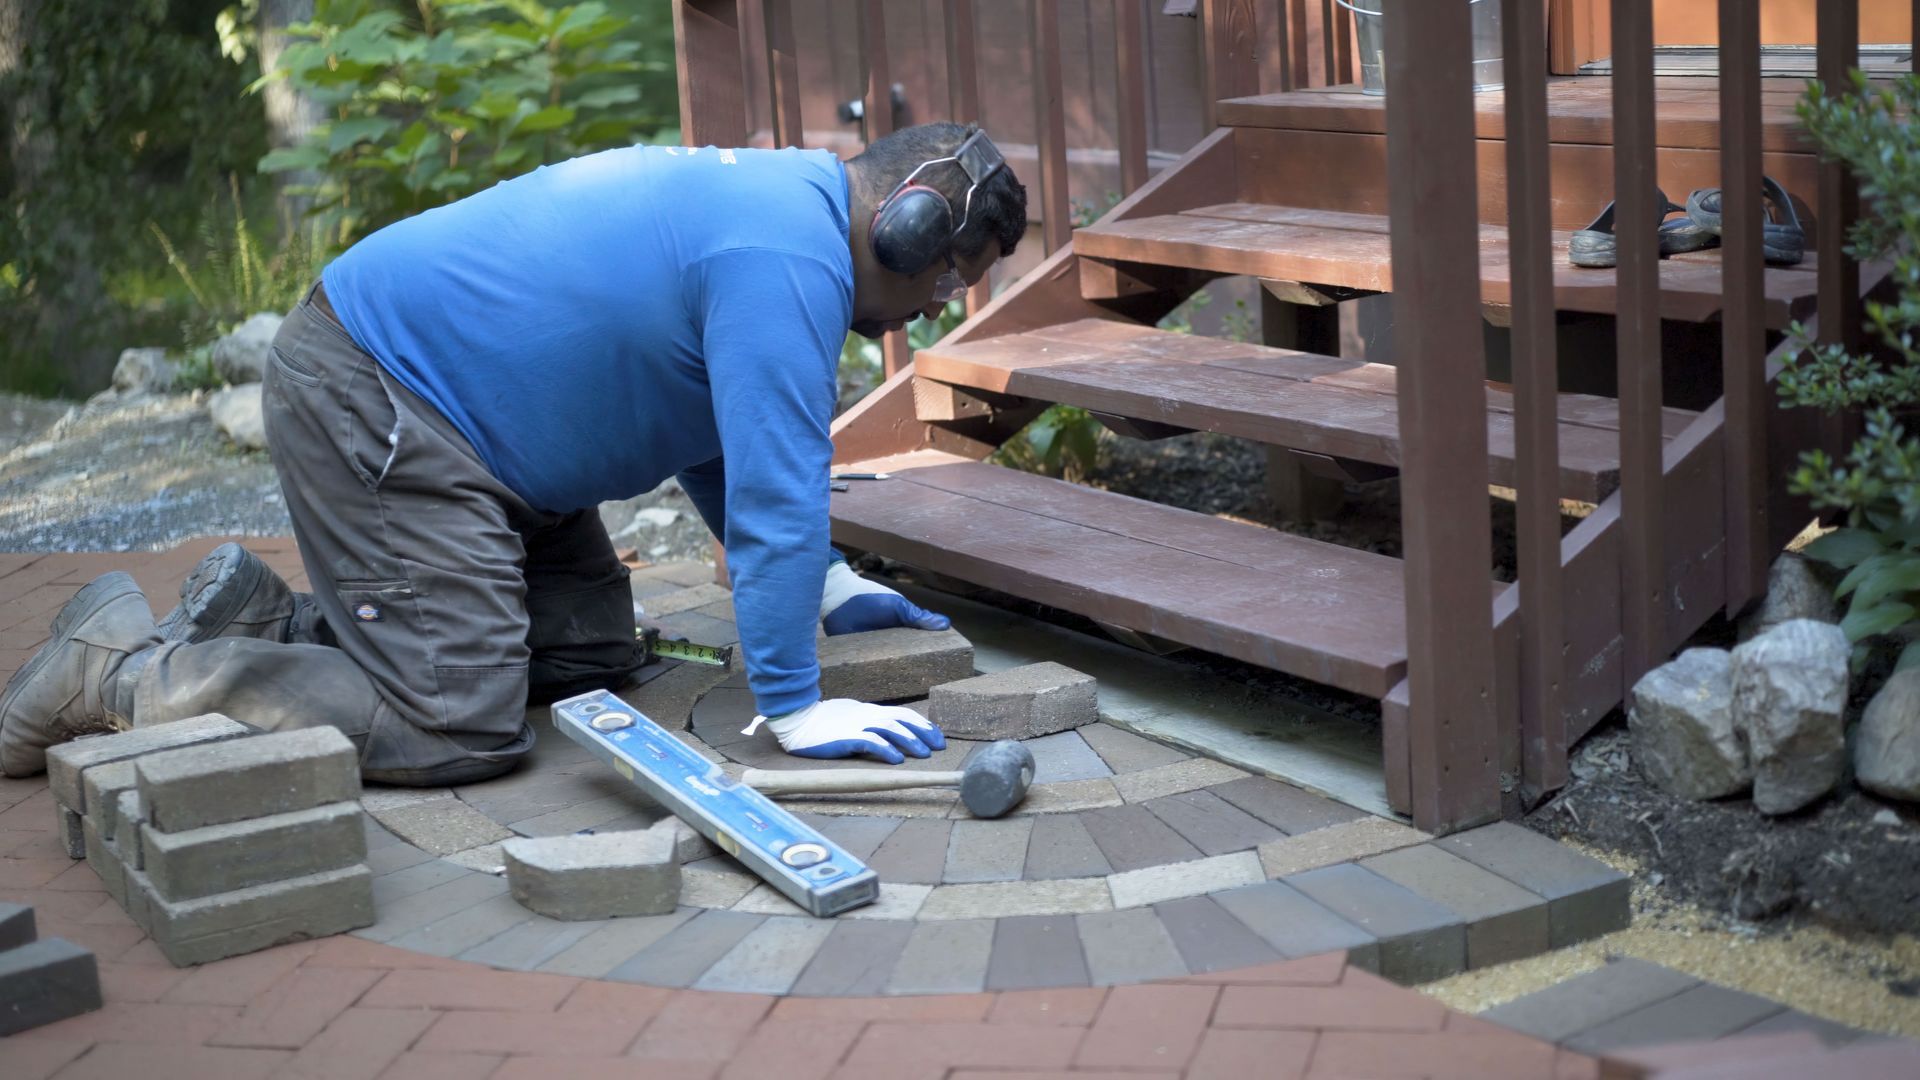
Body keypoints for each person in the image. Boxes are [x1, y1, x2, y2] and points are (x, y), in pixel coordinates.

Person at [0, 122, 1028, 786]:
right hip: (382, 395)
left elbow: (722, 436)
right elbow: (775, 495)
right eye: (949, 270)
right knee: (456, 727)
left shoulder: (785, 214)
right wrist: (793, 707)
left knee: (585, 655)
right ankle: (122, 671)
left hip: (483, 440)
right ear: (905, 222)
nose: (941, 299)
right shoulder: (786, 262)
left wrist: (828, 588)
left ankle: (277, 620)